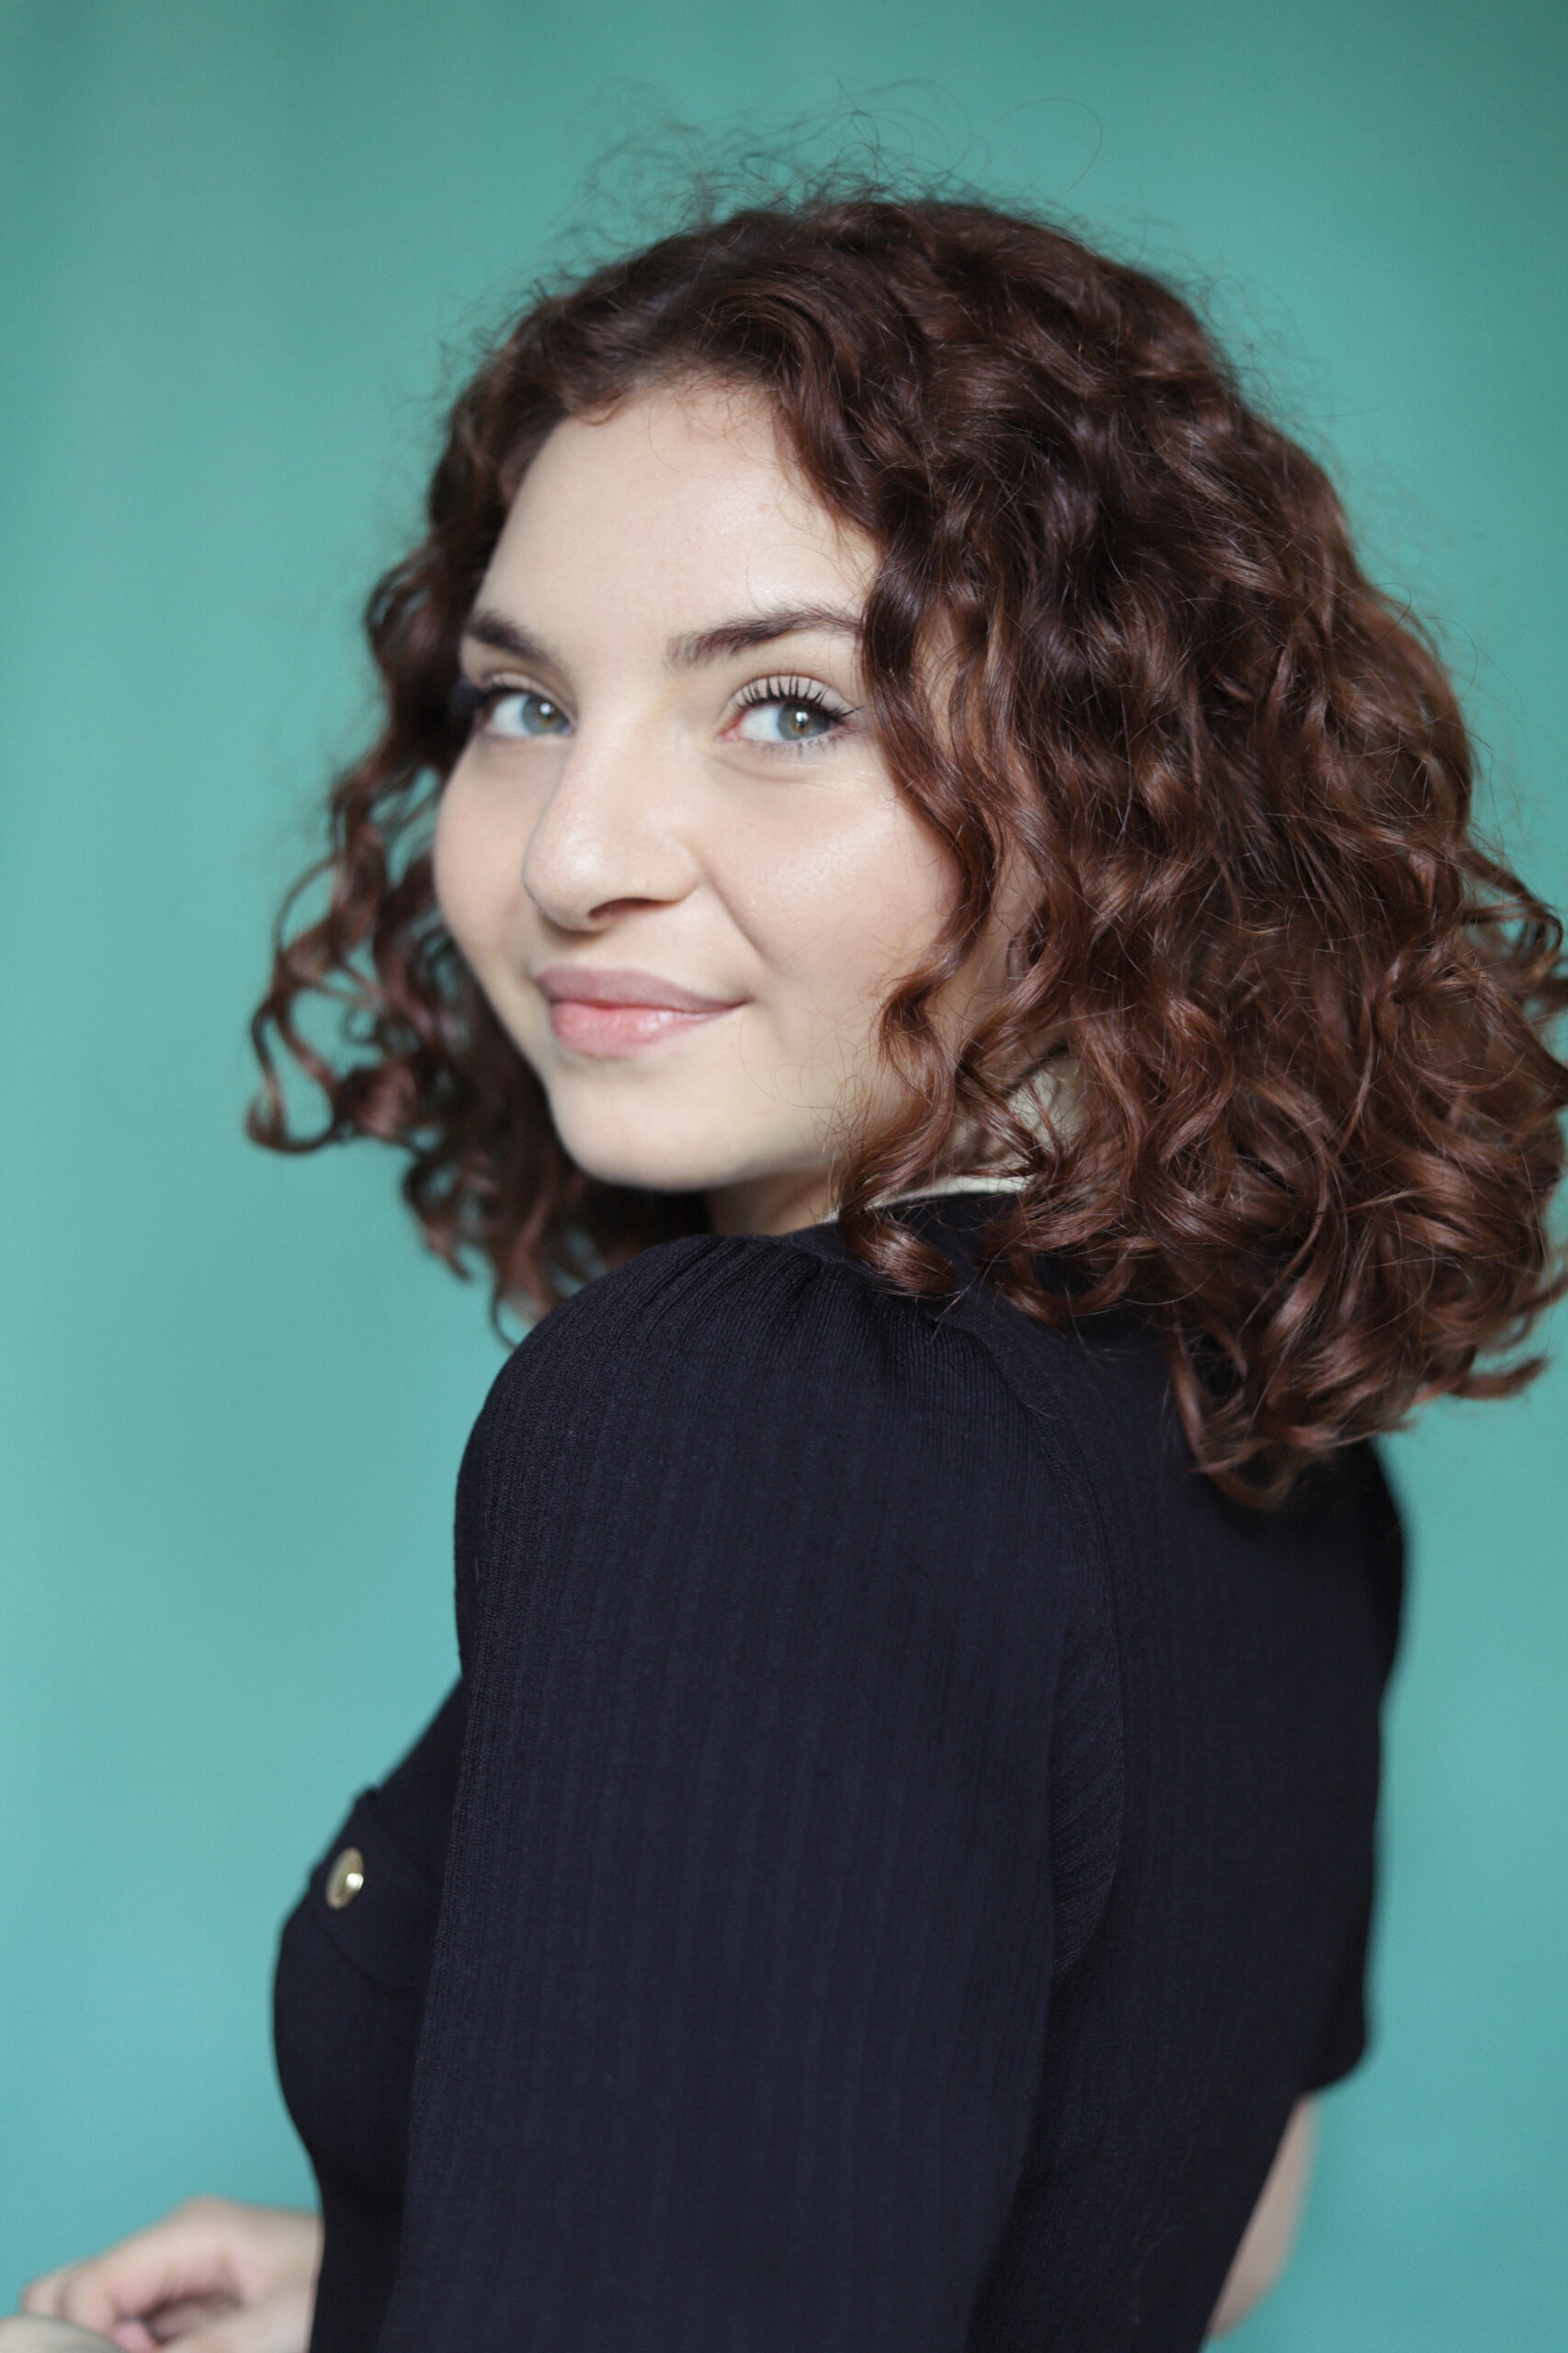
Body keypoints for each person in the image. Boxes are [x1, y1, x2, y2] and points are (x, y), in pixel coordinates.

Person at [11, 187, 1566, 2353]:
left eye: (788, 708)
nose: (575, 855)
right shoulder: (1264, 1432)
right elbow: (1196, 2237)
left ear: (1115, 783)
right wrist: (386, 2283)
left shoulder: (748, 1414)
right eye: (520, 701)